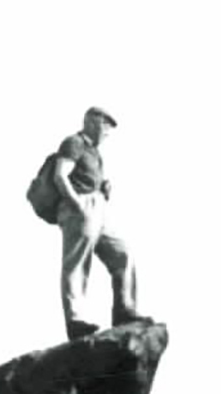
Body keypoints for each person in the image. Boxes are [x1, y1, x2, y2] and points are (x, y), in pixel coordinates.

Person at [51, 107, 136, 342]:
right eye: (105, 125)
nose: (108, 132)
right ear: (92, 122)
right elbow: (60, 175)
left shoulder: (94, 151)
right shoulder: (74, 142)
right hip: (80, 206)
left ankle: (124, 310)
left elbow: (83, 175)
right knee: (76, 263)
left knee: (122, 254)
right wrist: (77, 205)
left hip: (98, 207)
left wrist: (102, 187)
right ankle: (75, 321)